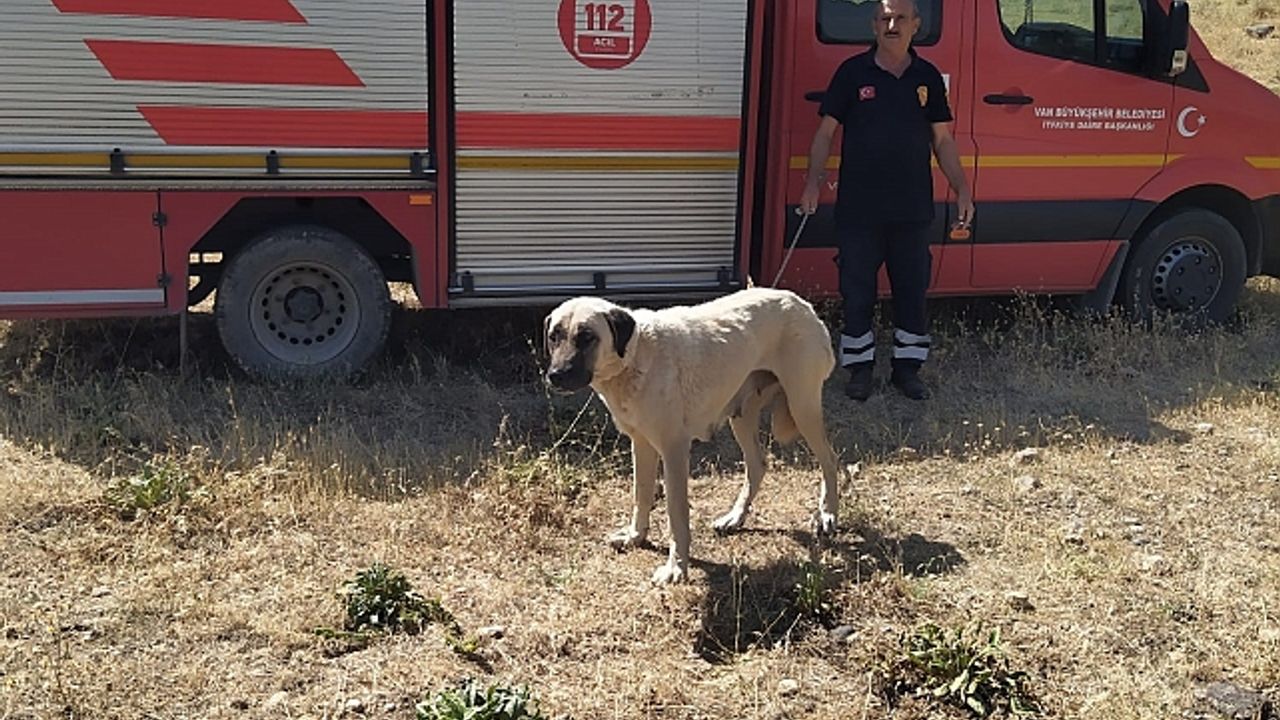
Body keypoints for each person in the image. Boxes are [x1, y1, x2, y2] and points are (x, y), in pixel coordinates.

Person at [799, 0, 973, 401]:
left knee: (912, 292)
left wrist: (962, 188)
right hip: (859, 209)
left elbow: (943, 141)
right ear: (874, 26)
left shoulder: (927, 77)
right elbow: (825, 133)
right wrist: (812, 182)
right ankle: (859, 371)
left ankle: (907, 372)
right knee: (857, 292)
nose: (891, 25)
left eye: (899, 19)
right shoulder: (851, 73)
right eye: (884, 19)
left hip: (911, 209)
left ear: (916, 25)